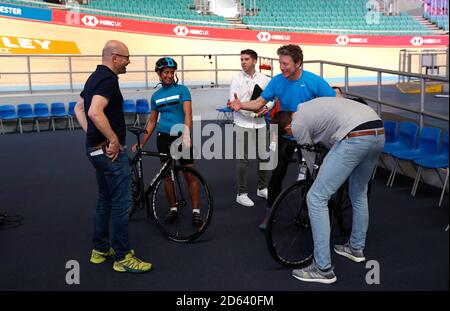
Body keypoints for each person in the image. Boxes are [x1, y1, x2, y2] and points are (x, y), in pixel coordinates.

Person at [272, 96, 385, 284]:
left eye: (288, 135)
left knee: (316, 197)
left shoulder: (297, 124)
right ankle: (356, 248)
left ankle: (322, 268)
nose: (292, 136)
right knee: (359, 192)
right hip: (377, 130)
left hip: (354, 136)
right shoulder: (308, 108)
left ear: (287, 129)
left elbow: (309, 158)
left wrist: (315, 181)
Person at [228, 44, 336, 229]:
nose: (282, 67)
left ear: (298, 63)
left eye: (286, 64)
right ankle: (269, 213)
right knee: (277, 174)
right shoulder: (277, 81)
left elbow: (333, 103)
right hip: (285, 133)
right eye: (280, 63)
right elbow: (260, 102)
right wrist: (242, 105)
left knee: (311, 176)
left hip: (309, 136)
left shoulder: (314, 81)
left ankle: (309, 214)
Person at [74, 40, 152, 273]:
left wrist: (92, 133)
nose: (129, 61)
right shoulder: (107, 80)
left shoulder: (93, 78)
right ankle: (122, 256)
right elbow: (93, 111)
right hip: (107, 152)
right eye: (127, 57)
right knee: (121, 203)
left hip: (95, 150)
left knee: (105, 199)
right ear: (115, 57)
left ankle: (99, 250)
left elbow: (78, 108)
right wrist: (114, 139)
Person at [131, 57, 202, 226]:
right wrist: (143, 142)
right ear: (159, 74)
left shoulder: (183, 90)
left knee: (189, 174)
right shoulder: (155, 96)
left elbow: (188, 114)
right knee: (167, 176)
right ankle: (173, 209)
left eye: (172, 72)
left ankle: (196, 211)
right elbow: (153, 121)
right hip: (163, 137)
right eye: (166, 72)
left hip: (180, 135)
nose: (170, 75)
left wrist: (186, 134)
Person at [230, 49, 274, 207]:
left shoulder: (265, 79)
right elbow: (235, 104)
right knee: (243, 159)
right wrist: (255, 111)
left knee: (264, 157)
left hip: (261, 123)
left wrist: (266, 108)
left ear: (255, 61)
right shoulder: (236, 79)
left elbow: (271, 98)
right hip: (242, 123)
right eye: (241, 59)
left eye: (246, 59)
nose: (243, 62)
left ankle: (262, 188)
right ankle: (241, 193)